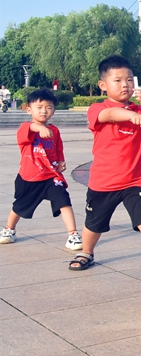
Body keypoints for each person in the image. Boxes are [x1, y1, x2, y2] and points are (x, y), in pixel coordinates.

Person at [70, 55, 141, 288]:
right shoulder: (98, 108)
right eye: (117, 80)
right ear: (103, 85)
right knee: (93, 224)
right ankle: (87, 253)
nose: (125, 84)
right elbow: (108, 115)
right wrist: (130, 115)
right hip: (103, 182)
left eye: (129, 79)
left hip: (137, 180)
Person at [0, 89, 81, 250]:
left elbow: (58, 147)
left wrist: (61, 160)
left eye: (48, 107)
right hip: (30, 177)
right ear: (29, 109)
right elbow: (29, 129)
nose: (44, 111)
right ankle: (9, 229)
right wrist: (39, 128)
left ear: (54, 111)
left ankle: (73, 235)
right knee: (20, 206)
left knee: (64, 200)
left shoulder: (55, 131)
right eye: (39, 107)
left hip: (51, 176)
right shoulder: (25, 128)